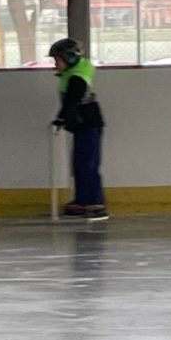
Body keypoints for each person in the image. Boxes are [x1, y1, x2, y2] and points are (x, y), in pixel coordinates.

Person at [49, 37, 108, 221]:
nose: (55, 64)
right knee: (79, 165)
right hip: (81, 126)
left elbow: (72, 99)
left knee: (87, 164)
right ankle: (83, 199)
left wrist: (60, 119)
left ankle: (95, 202)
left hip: (88, 125)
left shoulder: (77, 77)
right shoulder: (73, 73)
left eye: (57, 60)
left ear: (70, 58)